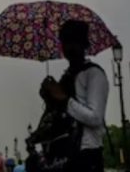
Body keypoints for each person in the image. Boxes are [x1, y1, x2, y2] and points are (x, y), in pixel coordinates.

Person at [40, 20, 109, 172]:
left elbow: (96, 117)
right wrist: (49, 98)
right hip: (63, 154)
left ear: (84, 44)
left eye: (74, 42)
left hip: (86, 154)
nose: (69, 47)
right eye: (65, 42)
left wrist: (64, 99)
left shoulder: (94, 74)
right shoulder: (67, 76)